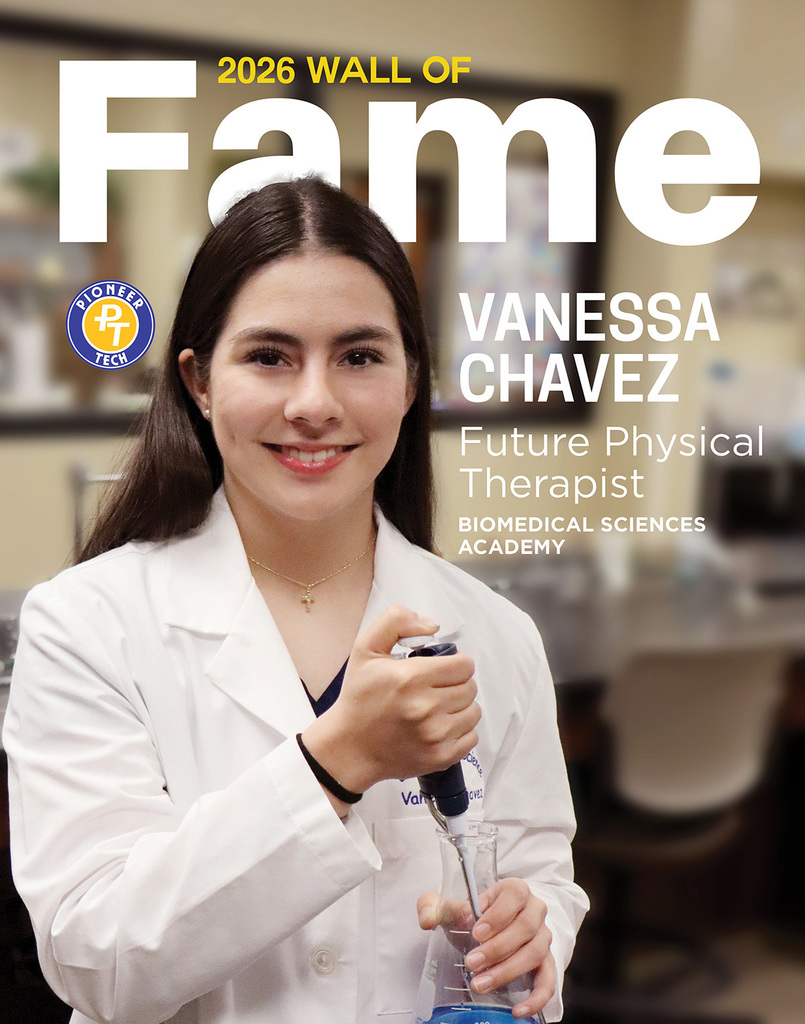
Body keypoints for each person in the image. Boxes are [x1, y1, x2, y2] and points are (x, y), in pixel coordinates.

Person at [3, 178, 588, 1024]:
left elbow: (539, 872)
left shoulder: (494, 633)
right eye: (269, 356)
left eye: (358, 356)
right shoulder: (87, 623)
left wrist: (538, 933)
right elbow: (97, 958)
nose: (314, 404)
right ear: (200, 384)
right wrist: (333, 764)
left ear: (408, 382)